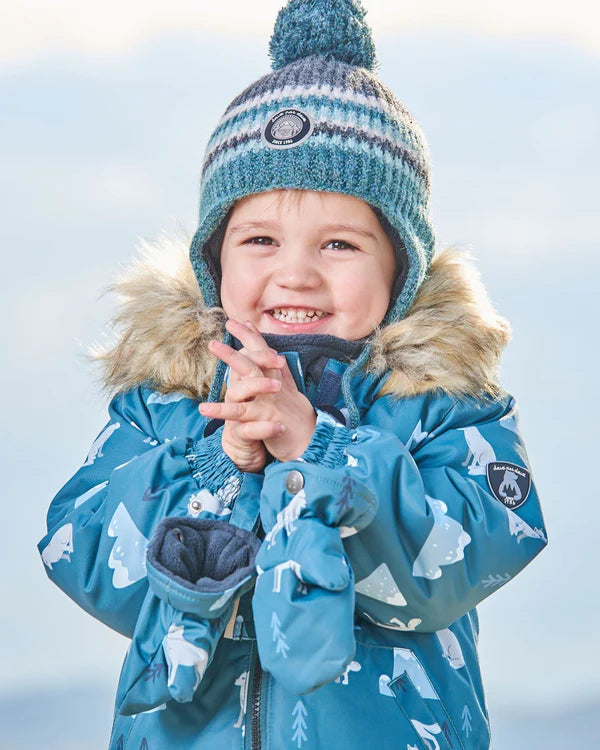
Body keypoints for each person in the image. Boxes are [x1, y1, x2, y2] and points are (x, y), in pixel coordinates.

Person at [38, 1, 548, 748]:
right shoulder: (167, 403)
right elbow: (79, 556)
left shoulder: (444, 410)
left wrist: (323, 450)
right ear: (214, 262)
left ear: (400, 268)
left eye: (339, 244)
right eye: (260, 239)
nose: (296, 274)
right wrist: (222, 465)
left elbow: (452, 574)